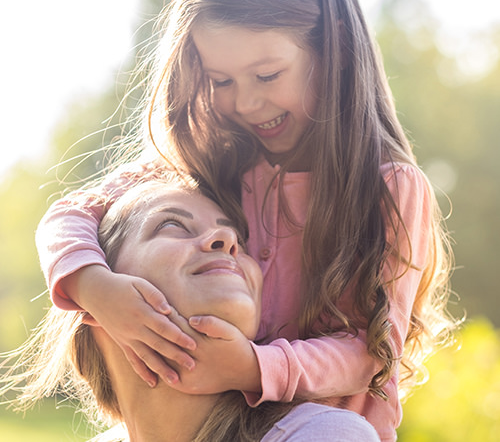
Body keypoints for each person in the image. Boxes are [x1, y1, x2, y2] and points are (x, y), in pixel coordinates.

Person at [34, 0, 459, 440]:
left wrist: (250, 368)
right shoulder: (215, 158)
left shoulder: (386, 190)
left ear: (334, 48)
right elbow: (70, 214)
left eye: (266, 75)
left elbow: (370, 352)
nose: (247, 102)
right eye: (221, 80)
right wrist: (94, 287)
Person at [2, 178, 380, 442]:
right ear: (95, 304)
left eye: (238, 239)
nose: (229, 240)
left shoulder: (323, 435)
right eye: (172, 225)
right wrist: (83, 278)